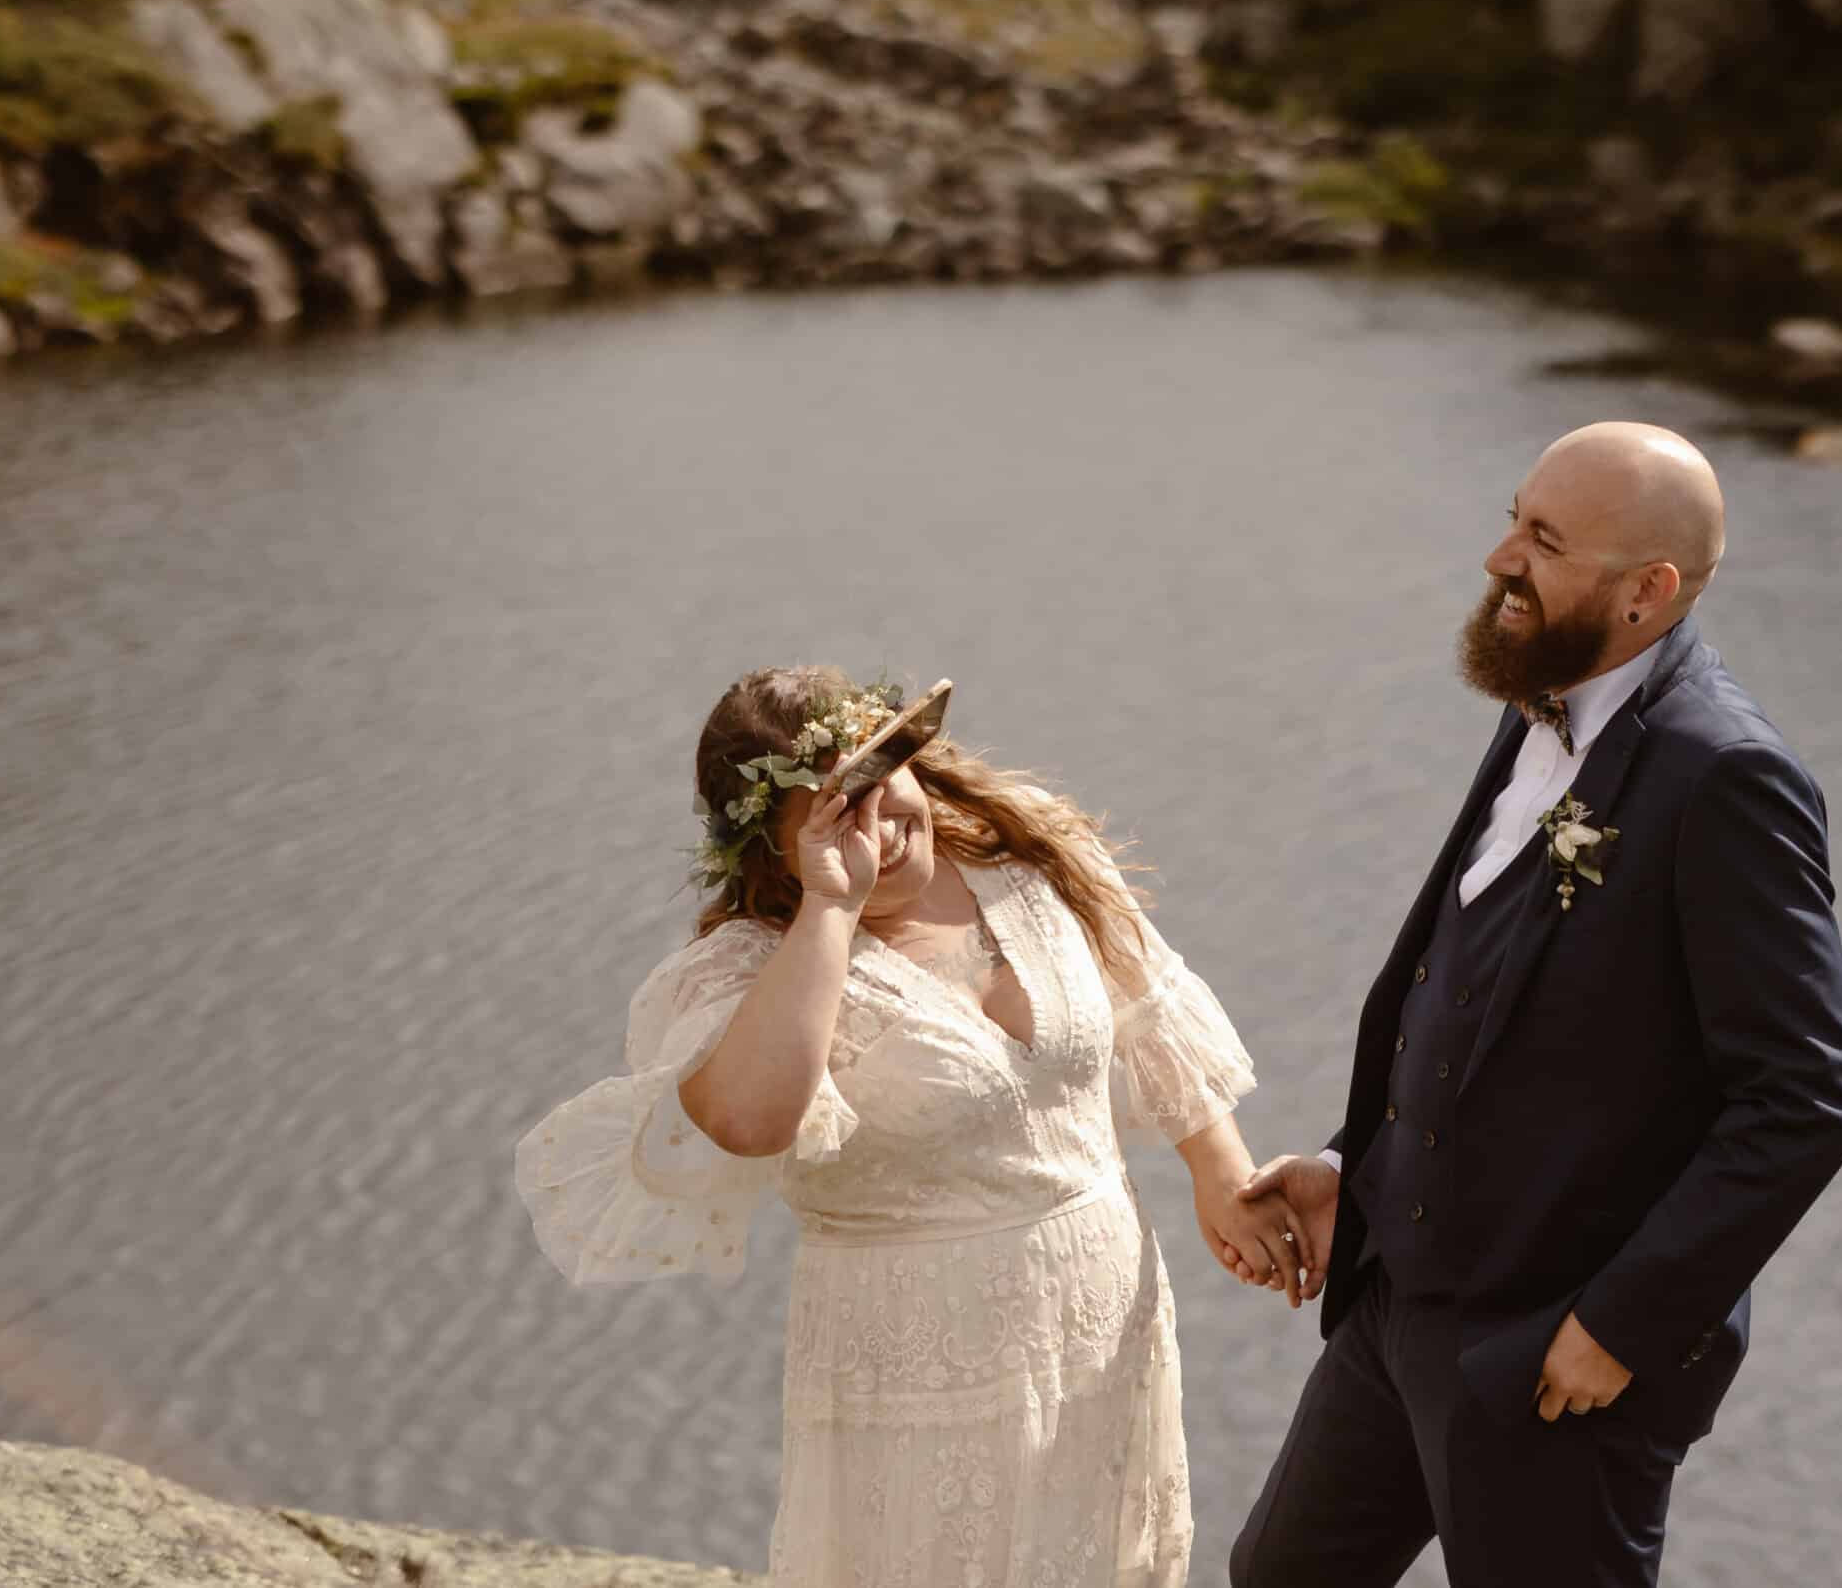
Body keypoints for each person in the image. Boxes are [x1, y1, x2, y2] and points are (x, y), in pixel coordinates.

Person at [1228, 421, 1842, 1588]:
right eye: (1514, 515)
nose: (1497, 557)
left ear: (1647, 590)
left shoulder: (1723, 775)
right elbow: (1490, 997)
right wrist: (1350, 1161)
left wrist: (1620, 1324)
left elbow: (1807, 1098)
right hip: (1398, 1304)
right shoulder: (1543, 693)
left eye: (1543, 538)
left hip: (1554, 1351)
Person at [515, 664, 1292, 1588]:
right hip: (922, 1373)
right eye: (838, 817)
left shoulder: (1024, 850)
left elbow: (1144, 999)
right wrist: (832, 908)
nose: (881, 827)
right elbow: (750, 1120)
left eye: (884, 784)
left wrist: (1221, 1173)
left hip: (1104, 1327)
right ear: (772, 852)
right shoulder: (748, 972)